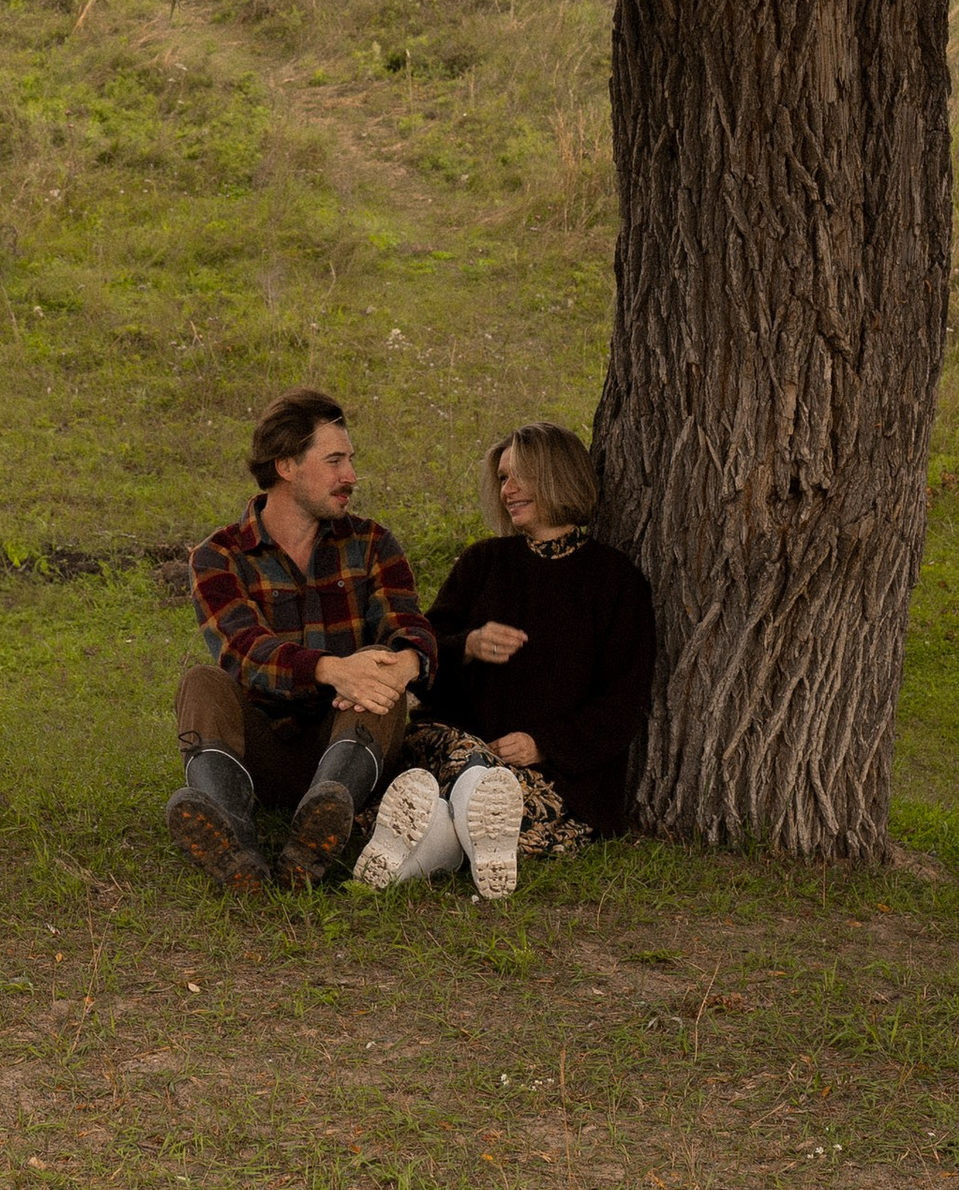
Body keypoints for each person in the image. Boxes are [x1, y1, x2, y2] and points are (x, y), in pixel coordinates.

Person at [353, 420, 654, 900]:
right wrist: (466, 646)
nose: (507, 490)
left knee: (485, 799)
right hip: (454, 745)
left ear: (558, 477)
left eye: (518, 477)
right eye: (501, 479)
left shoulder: (616, 583)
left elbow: (622, 701)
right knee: (468, 773)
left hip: (552, 775)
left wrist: (543, 743)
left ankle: (414, 857)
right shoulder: (483, 563)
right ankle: (476, 815)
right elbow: (422, 662)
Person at [168, 386, 439, 896]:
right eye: (335, 460)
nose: (351, 477)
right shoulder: (218, 556)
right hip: (260, 750)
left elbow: (409, 624)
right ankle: (234, 840)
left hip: (347, 744)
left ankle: (318, 831)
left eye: (350, 460)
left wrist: (405, 664)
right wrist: (333, 668)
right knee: (200, 682)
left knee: (378, 674)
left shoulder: (373, 543)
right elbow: (244, 651)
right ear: (286, 465)